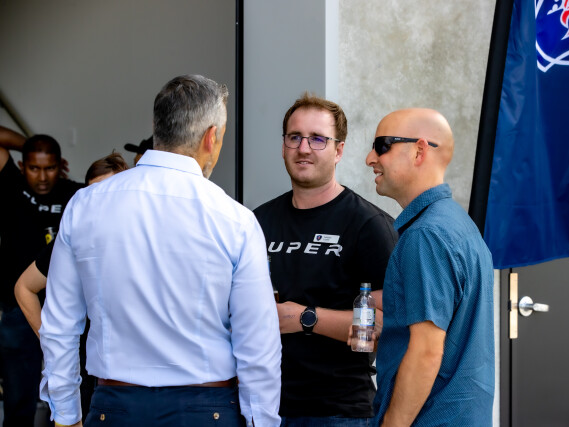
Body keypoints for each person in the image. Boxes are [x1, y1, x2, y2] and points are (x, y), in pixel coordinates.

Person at [39, 74, 282, 427]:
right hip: (207, 411)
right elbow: (258, 344)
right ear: (211, 137)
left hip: (114, 408)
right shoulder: (236, 220)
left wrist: (65, 415)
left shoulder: (85, 205)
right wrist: (262, 422)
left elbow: (59, 324)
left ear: (158, 127)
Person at [253, 93, 397, 426]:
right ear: (283, 145)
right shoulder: (257, 221)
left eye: (318, 139)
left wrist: (306, 318)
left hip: (337, 411)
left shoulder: (368, 226)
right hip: (264, 405)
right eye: (295, 137)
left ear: (339, 150)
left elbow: (385, 325)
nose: (303, 148)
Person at [365, 109, 494, 426]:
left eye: (382, 146)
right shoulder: (457, 224)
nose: (370, 158)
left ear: (419, 150)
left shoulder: (426, 235)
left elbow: (426, 351)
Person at [14, 151, 129, 423]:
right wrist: (54, 343)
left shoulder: (141, 238)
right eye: (91, 194)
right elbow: (24, 288)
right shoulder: (74, 240)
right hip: (85, 376)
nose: (98, 203)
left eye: (109, 192)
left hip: (133, 380)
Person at [0, 126, 84, 427]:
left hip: (67, 312)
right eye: (34, 167)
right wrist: (28, 144)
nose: (43, 176)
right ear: (23, 166)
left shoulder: (77, 195)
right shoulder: (11, 185)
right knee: (18, 400)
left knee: (66, 400)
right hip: (18, 310)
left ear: (60, 166)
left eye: (50, 167)